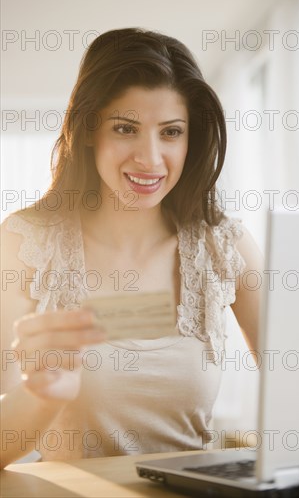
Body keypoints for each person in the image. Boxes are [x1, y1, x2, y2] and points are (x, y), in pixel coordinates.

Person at [0, 28, 263, 468]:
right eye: (126, 128)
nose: (150, 158)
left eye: (171, 132)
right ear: (86, 130)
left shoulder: (225, 245)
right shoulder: (23, 244)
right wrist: (39, 397)